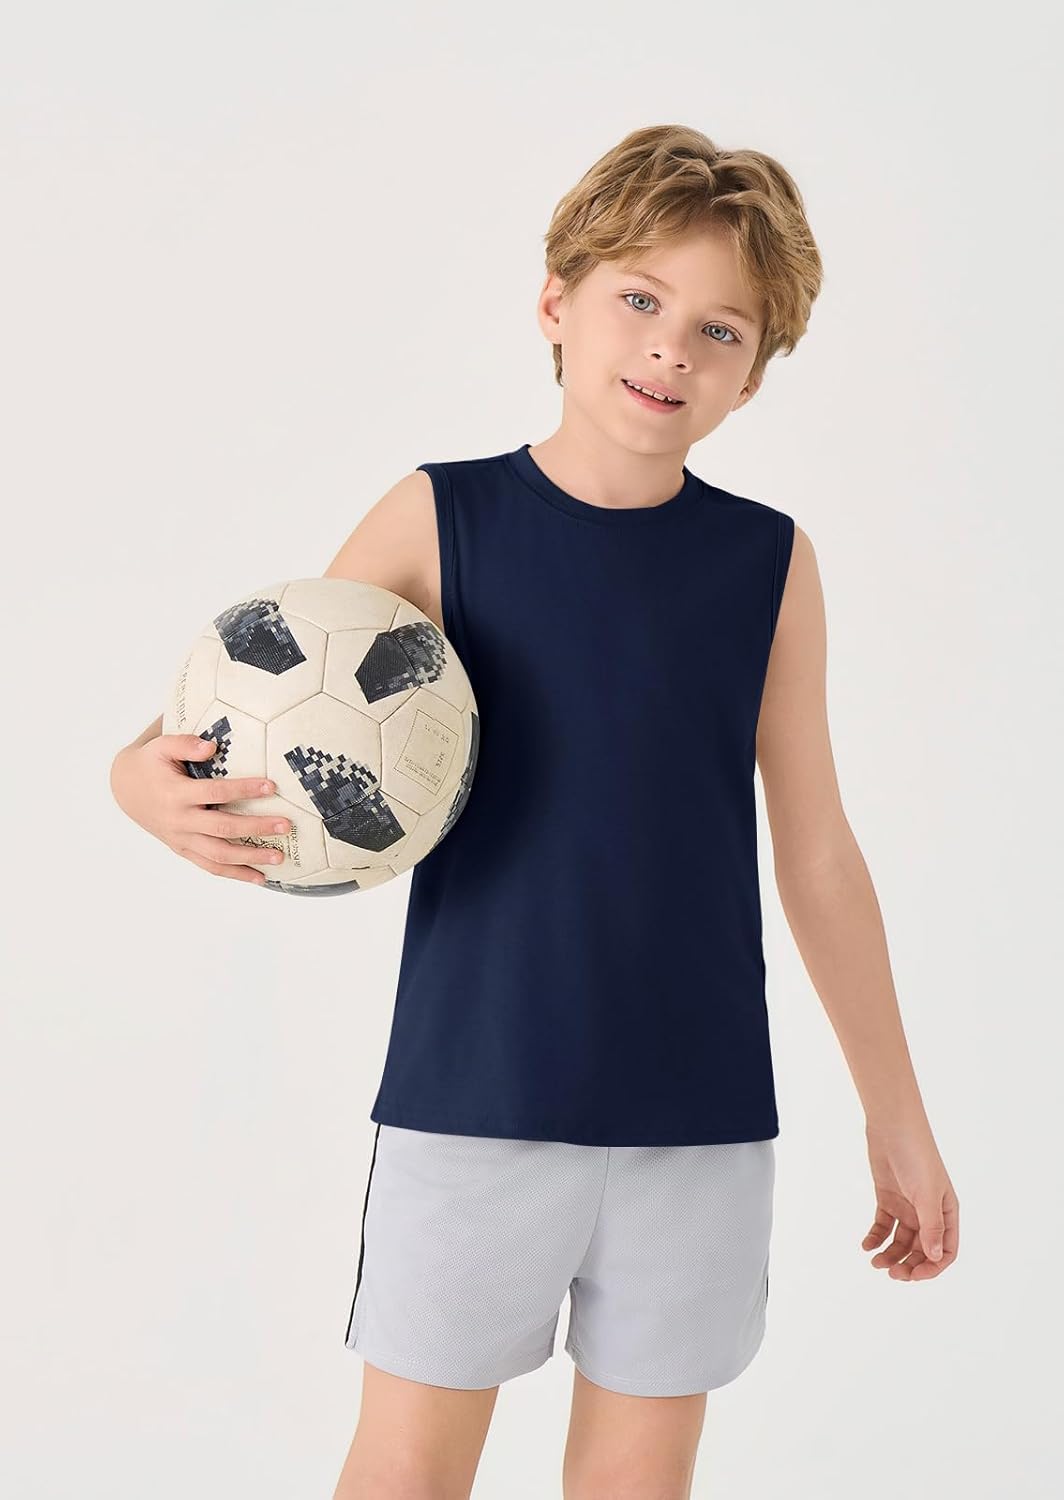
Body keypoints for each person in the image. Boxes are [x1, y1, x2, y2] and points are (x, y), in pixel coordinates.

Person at [110, 123, 959, 1500]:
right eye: (640, 299)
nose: (671, 349)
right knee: (406, 1471)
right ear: (555, 302)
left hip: (698, 1120)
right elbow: (260, 701)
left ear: (754, 374)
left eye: (720, 331)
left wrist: (896, 1116)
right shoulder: (439, 518)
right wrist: (130, 777)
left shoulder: (767, 563)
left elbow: (815, 852)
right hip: (473, 1100)